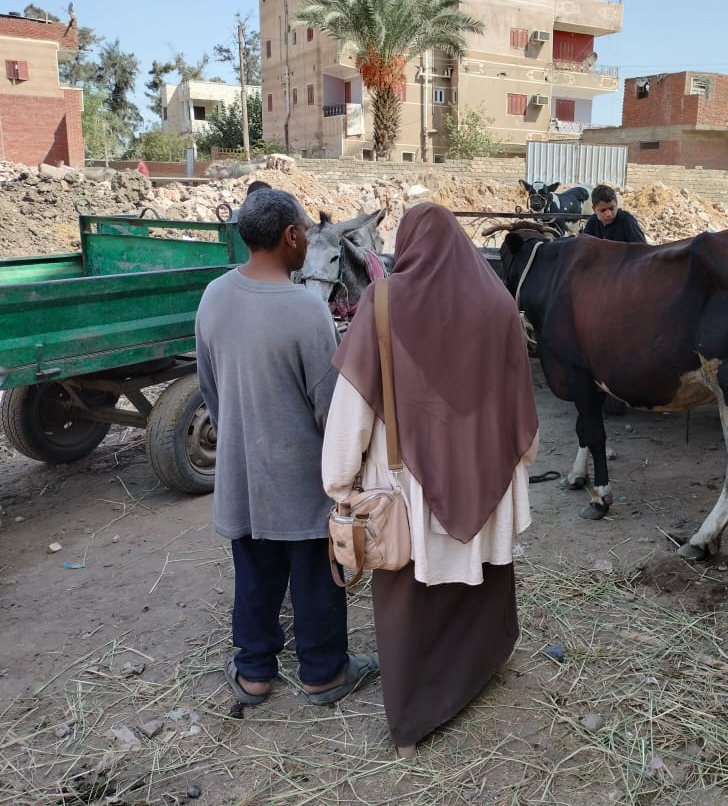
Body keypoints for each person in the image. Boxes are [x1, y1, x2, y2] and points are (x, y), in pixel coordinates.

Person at [322, 202, 539, 757]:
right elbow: (521, 397)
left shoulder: (385, 301)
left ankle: (415, 715)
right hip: (487, 468)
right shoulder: (497, 301)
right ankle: (478, 669)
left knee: (410, 597)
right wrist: (518, 460)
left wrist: (340, 483)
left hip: (409, 482)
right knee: (485, 579)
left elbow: (353, 406)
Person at [195, 188, 379, 706]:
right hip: (300, 477)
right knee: (317, 575)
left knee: (253, 571)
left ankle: (253, 673)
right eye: (304, 230)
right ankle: (323, 673)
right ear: (291, 236)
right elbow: (329, 406)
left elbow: (209, 387)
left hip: (240, 471)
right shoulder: (305, 310)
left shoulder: (214, 296)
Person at [581, 184, 646, 242]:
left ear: (616, 205)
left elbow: (642, 249)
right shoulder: (593, 222)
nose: (608, 215)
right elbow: (583, 245)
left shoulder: (627, 221)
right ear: (594, 209)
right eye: (603, 210)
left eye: (611, 208)